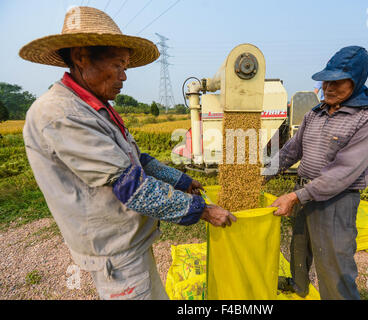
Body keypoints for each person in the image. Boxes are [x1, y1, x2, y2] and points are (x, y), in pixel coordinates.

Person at [19, 6, 236, 300]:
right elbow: (130, 185)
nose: (124, 76)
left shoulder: (96, 107)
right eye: (118, 64)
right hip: (114, 254)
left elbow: (138, 160)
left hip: (129, 242)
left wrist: (182, 181)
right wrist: (204, 211)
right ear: (81, 56)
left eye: (126, 67)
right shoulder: (60, 113)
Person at [266, 46, 368, 300]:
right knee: (299, 247)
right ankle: (298, 286)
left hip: (336, 201)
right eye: (326, 80)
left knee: (333, 262)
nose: (328, 87)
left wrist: (294, 197)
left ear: (356, 82)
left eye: (337, 82)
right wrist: (263, 173)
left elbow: (343, 172)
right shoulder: (316, 113)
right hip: (304, 193)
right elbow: (292, 150)